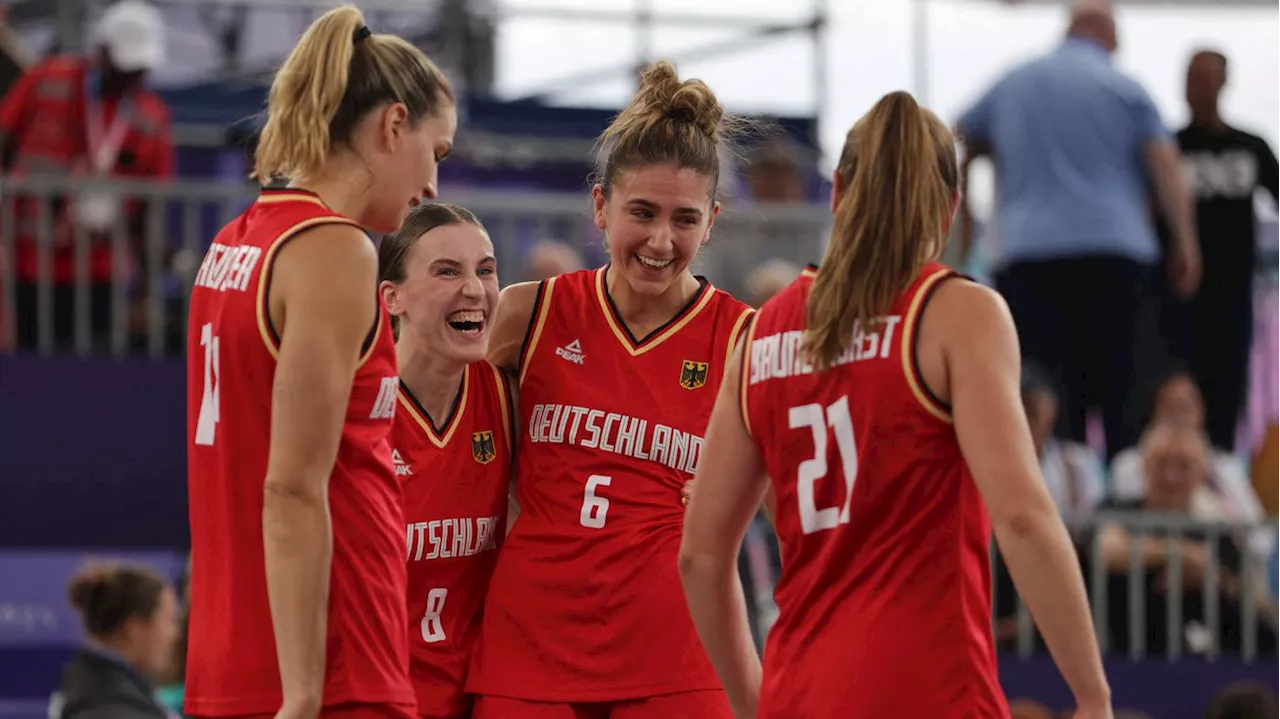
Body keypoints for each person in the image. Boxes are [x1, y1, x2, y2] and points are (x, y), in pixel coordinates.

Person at [678, 91, 1111, 719]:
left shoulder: (760, 332)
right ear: (950, 210)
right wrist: (1093, 697)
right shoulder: (955, 313)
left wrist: (753, 704)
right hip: (929, 688)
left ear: (837, 192)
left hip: (799, 690)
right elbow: (1022, 517)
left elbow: (701, 554)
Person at [184, 6, 456, 719]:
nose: (433, 185)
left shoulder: (233, 243)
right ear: (393, 126)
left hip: (226, 653)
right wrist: (303, 692)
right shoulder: (336, 251)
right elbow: (292, 489)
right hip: (329, 667)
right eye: (439, 152)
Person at [466, 60, 755, 718]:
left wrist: (733, 494)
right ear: (600, 206)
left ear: (711, 222)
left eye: (684, 219)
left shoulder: (743, 338)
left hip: (678, 653)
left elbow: (796, 497)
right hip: (530, 645)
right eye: (642, 212)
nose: (660, 240)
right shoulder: (527, 313)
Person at [955, 0, 1199, 461]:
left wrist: (969, 217)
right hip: (1117, 257)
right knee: (1123, 393)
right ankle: (1121, 507)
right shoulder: (1125, 88)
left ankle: (1063, 502)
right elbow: (1165, 165)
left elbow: (957, 135)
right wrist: (1186, 242)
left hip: (1030, 257)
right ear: (1105, 34)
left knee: (1045, 392)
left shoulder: (1014, 82)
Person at [378, 203, 513, 719]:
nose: (475, 289)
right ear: (392, 298)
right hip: (372, 697)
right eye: (447, 271)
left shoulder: (507, 399)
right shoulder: (350, 406)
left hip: (477, 695)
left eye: (485, 268)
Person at [0, 0, 173, 353]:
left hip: (100, 273)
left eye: (139, 69)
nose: (132, 77)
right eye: (126, 66)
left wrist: (144, 294)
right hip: (27, 264)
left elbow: (149, 211)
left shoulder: (151, 117)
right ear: (102, 50)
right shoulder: (45, 80)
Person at [1164, 49, 1280, 452]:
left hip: (1233, 298)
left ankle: (1222, 475)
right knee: (1176, 391)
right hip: (1177, 300)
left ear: (1223, 83)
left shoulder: (1250, 146)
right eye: (1191, 77)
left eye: (1205, 78)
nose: (1196, 88)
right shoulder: (1169, 149)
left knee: (1228, 391)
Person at [52, 562, 181, 719]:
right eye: (170, 620)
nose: (175, 635)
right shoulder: (113, 709)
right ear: (135, 629)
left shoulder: (88, 693)